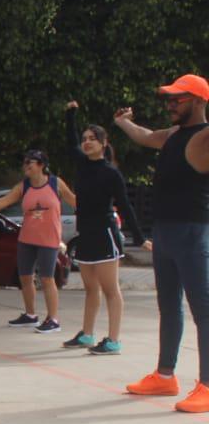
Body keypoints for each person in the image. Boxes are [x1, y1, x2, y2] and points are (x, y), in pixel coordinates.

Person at [113, 75, 209, 412]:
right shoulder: (172, 135)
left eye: (177, 99)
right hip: (165, 232)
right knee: (168, 307)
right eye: (168, 99)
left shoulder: (204, 137)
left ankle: (208, 386)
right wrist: (124, 123)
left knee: (204, 311)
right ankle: (165, 376)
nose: (169, 105)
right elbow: (147, 136)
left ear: (198, 101)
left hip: (192, 233)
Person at [60, 101, 145, 354]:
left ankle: (114, 340)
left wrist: (139, 239)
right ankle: (87, 335)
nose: (87, 142)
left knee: (110, 289)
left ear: (103, 144)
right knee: (90, 288)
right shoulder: (82, 164)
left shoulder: (111, 173)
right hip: (85, 233)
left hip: (105, 233)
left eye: (93, 139)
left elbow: (126, 207)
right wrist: (71, 114)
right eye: (85, 139)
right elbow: (69, 140)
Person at [0, 149, 77, 334]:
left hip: (49, 239)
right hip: (27, 238)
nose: (26, 165)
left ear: (42, 165)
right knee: (25, 277)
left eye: (31, 162)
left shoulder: (55, 183)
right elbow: (5, 200)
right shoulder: (24, 186)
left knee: (47, 278)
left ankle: (53, 319)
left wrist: (96, 213)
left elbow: (74, 201)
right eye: (25, 162)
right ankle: (30, 315)